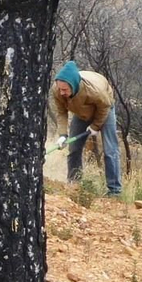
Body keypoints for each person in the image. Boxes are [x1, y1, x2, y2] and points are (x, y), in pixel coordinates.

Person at [50, 60, 121, 196]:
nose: (62, 92)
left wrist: (95, 126)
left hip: (104, 109)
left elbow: (105, 106)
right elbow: (61, 113)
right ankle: (74, 184)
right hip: (81, 112)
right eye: (60, 89)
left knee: (110, 150)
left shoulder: (94, 91)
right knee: (74, 149)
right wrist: (62, 135)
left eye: (65, 89)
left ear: (74, 85)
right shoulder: (57, 91)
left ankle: (114, 190)